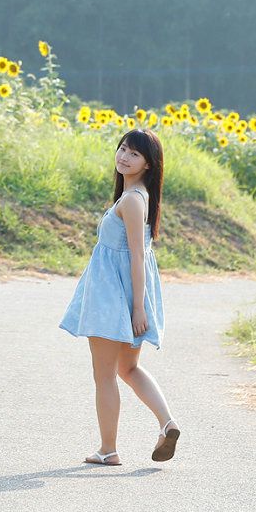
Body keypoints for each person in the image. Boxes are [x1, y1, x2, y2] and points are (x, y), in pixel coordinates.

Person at [58, 127, 179, 466]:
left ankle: (108, 449)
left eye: (134, 154)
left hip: (112, 299)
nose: (124, 156)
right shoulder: (140, 197)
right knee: (129, 368)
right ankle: (167, 423)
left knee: (105, 375)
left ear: (148, 164)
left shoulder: (131, 200)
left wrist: (138, 309)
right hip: (124, 296)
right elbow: (138, 256)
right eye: (123, 148)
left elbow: (137, 257)